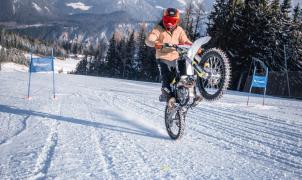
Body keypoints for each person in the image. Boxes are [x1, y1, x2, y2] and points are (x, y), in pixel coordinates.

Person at [145, 8, 202, 105]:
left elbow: (185, 41)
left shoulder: (179, 30)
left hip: (176, 57)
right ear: (164, 19)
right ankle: (168, 95)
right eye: (167, 20)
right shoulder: (158, 29)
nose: (170, 24)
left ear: (177, 21)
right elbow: (149, 39)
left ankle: (192, 94)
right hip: (163, 57)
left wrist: (195, 47)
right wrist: (155, 43)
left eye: (173, 21)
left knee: (186, 71)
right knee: (166, 74)